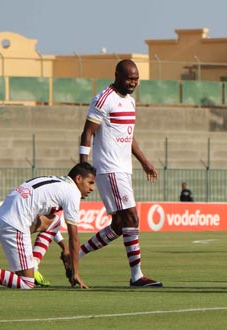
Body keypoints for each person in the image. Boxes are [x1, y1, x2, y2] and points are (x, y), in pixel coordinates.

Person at [78, 59, 162, 287]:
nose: (133, 83)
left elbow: (128, 135)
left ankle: (75, 254)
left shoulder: (131, 102)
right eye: (129, 79)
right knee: (132, 218)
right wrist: (83, 168)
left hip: (124, 169)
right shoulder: (104, 99)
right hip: (110, 168)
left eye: (136, 79)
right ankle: (137, 276)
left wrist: (144, 161)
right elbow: (87, 133)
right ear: (116, 75)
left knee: (118, 226)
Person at [0, 162, 95, 289]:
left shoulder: (57, 181)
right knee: (27, 283)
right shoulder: (73, 192)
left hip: (4, 216)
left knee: (54, 221)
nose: (92, 188)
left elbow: (51, 225)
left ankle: (33, 266)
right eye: (90, 183)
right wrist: (75, 273)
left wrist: (63, 247)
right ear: (78, 179)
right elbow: (74, 238)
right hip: (14, 224)